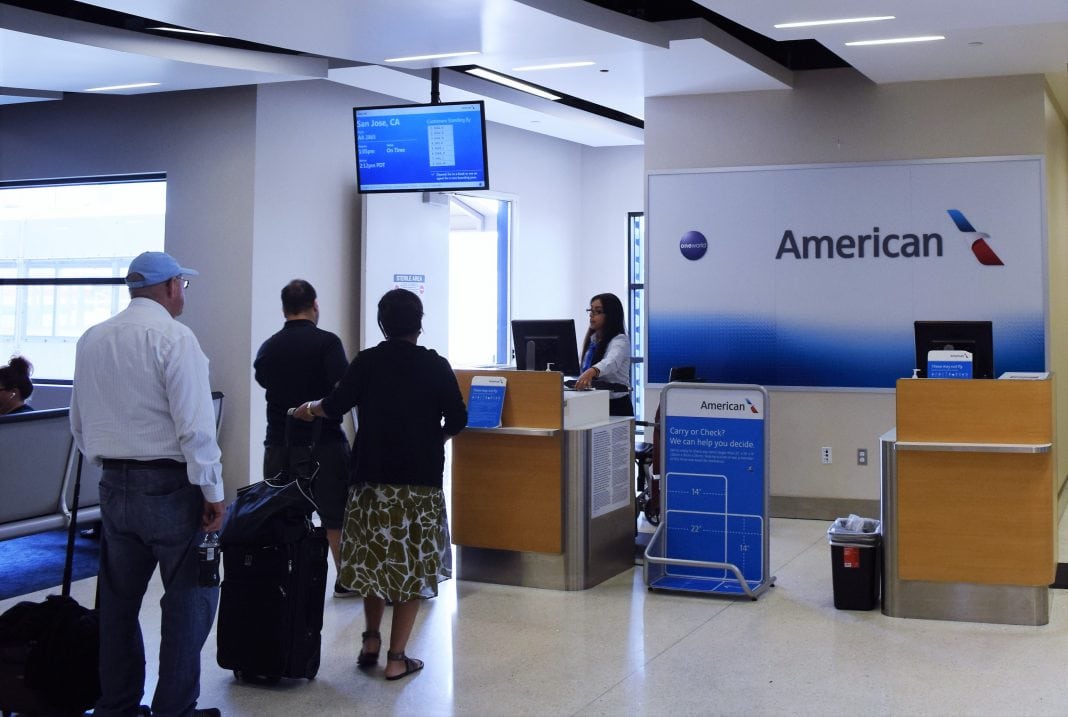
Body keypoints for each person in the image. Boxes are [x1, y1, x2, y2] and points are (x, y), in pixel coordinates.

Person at [70, 251, 225, 717]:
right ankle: (173, 708)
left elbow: (78, 424)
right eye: (184, 285)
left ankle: (117, 705)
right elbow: (196, 427)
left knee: (117, 605)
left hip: (113, 486)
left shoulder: (92, 338)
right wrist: (212, 493)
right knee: (189, 600)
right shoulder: (176, 339)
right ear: (172, 286)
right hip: (171, 487)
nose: (184, 294)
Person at [292, 288, 466, 681]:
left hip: (371, 480)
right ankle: (396, 657)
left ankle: (370, 639)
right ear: (419, 323)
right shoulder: (436, 365)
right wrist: (431, 440)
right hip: (418, 483)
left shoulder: (368, 362)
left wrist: (308, 410)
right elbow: (457, 419)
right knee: (410, 570)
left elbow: (333, 406)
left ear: (382, 323)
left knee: (373, 562)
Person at [254, 278, 352, 595]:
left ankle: (281, 582)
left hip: (279, 445)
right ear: (315, 305)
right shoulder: (327, 343)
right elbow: (344, 390)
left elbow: (266, 382)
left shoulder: (268, 348)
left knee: (280, 516)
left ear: (284, 309)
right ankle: (345, 579)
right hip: (324, 443)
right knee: (335, 516)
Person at [574, 292, 633, 416]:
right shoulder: (593, 341)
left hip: (616, 405)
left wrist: (592, 371)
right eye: (591, 310)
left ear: (611, 315)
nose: (591, 315)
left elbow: (611, 362)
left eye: (598, 311)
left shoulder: (620, 340)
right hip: (593, 402)